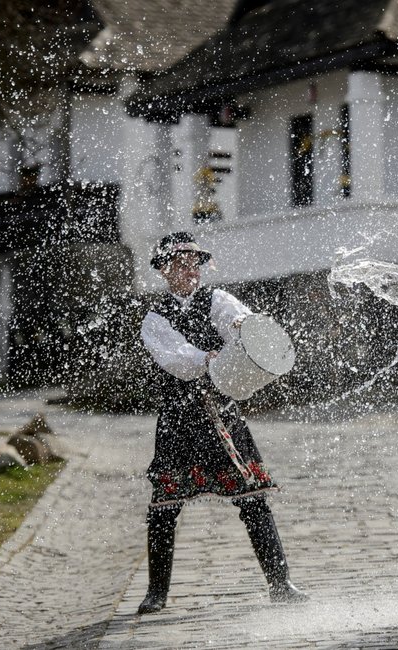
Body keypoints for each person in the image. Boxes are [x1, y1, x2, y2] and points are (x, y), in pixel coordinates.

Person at [136, 231, 307, 614]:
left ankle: (280, 583)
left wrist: (246, 332)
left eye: (195, 266)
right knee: (164, 504)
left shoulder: (217, 300)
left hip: (221, 413)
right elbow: (175, 359)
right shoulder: (154, 319)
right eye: (181, 266)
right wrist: (208, 359)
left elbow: (237, 320)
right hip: (179, 419)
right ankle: (156, 593)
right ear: (164, 270)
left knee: (253, 496)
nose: (190, 273)